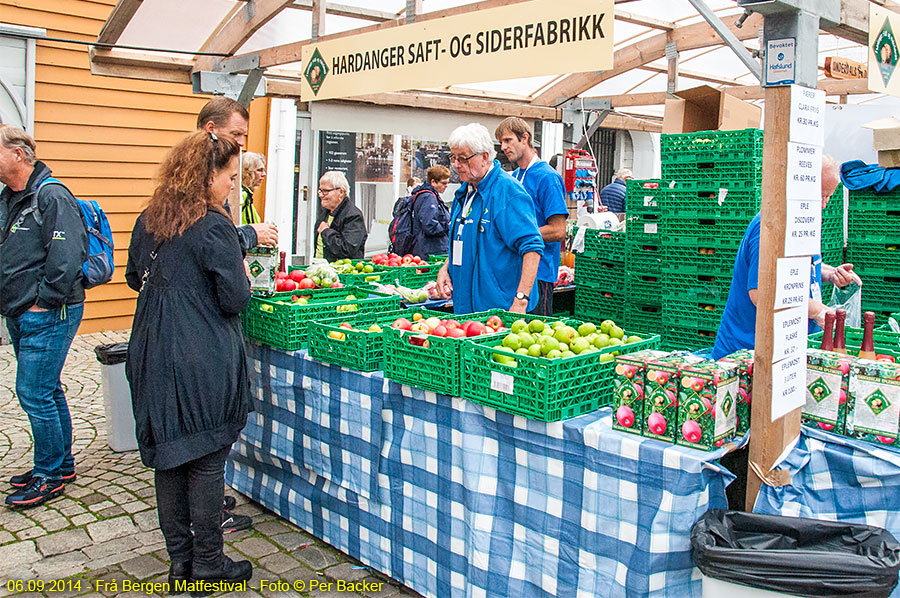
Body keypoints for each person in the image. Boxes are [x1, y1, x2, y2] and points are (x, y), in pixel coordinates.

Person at [124, 131, 253, 590]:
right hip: (200, 354)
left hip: (151, 348)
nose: (231, 187)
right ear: (208, 176)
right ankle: (210, 564)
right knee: (204, 460)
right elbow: (235, 298)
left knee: (170, 459)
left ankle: (181, 564)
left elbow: (133, 278)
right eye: (229, 178)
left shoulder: (150, 218)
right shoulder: (214, 226)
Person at [0, 125, 87, 508]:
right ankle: (60, 464)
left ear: (18, 154)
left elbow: (67, 256)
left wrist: (44, 301)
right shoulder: (10, 198)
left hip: (49, 312)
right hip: (20, 311)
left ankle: (48, 475)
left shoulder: (52, 196)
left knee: (33, 392)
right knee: (47, 389)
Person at [712, 156, 862, 359]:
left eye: (828, 197)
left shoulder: (802, 222)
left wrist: (831, 273)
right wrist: (817, 310)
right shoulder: (769, 227)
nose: (824, 206)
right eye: (822, 196)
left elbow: (804, 264)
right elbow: (759, 293)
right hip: (750, 350)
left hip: (786, 346)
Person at [435, 123, 543, 314]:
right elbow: (464, 238)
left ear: (484, 157)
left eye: (463, 159)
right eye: (454, 158)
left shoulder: (508, 192)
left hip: (501, 312)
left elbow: (532, 248)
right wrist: (446, 266)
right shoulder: (465, 192)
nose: (456, 165)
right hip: (466, 310)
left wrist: (520, 300)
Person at [496, 117, 568, 316]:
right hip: (515, 272)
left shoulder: (547, 177)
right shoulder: (514, 176)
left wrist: (520, 236)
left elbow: (558, 229)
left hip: (539, 273)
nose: (503, 147)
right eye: (501, 142)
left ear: (525, 138)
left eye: (508, 140)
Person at [196, 97, 277, 251]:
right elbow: (210, 239)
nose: (241, 142)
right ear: (211, 128)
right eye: (236, 134)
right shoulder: (195, 175)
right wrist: (249, 235)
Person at [314, 171, 367, 260]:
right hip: (322, 268)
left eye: (325, 191)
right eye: (320, 190)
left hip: (341, 271)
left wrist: (326, 232)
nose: (320, 195)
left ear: (341, 192)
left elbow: (347, 249)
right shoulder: (325, 213)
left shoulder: (353, 216)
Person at [407, 165, 451, 260]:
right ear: (433, 182)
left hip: (426, 248)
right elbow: (429, 225)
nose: (446, 186)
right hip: (431, 250)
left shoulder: (425, 195)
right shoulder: (428, 197)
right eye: (443, 183)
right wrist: (447, 227)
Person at [240, 152, 266, 225]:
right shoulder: (243, 195)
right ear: (247, 171)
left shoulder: (247, 194)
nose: (264, 174)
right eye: (259, 170)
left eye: (264, 170)